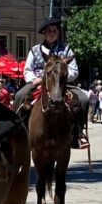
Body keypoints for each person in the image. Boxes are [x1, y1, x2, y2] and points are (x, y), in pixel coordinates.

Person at [14, 18, 89, 148]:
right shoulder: (35, 50)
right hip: (38, 83)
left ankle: (77, 134)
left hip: (62, 84)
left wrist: (62, 77)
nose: (52, 33)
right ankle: (20, 133)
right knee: (19, 96)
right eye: (49, 31)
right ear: (44, 33)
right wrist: (34, 79)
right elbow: (27, 70)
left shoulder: (66, 50)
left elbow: (74, 70)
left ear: (58, 33)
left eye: (54, 31)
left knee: (83, 99)